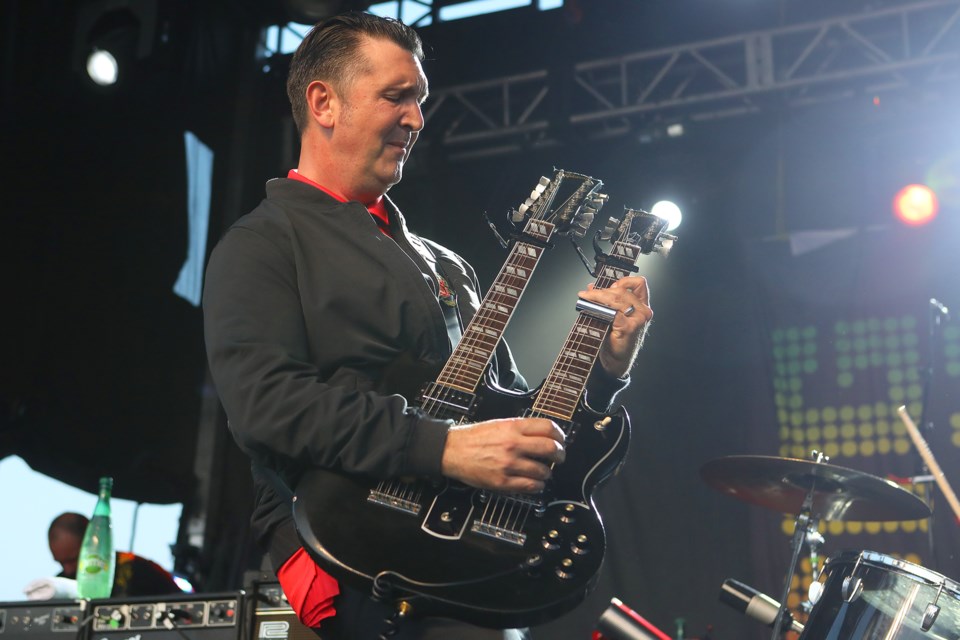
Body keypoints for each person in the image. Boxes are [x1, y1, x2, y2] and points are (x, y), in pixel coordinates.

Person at [202, 11, 652, 640]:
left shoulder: (448, 265)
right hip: (347, 548)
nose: (416, 119)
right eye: (397, 96)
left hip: (468, 551)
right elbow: (266, 406)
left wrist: (602, 368)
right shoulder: (263, 244)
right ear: (323, 102)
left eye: (420, 100)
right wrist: (444, 447)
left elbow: (512, 416)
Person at [48, 512, 182, 597]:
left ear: (94, 543)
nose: (68, 569)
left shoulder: (139, 568)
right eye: (61, 562)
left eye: (73, 560)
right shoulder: (59, 585)